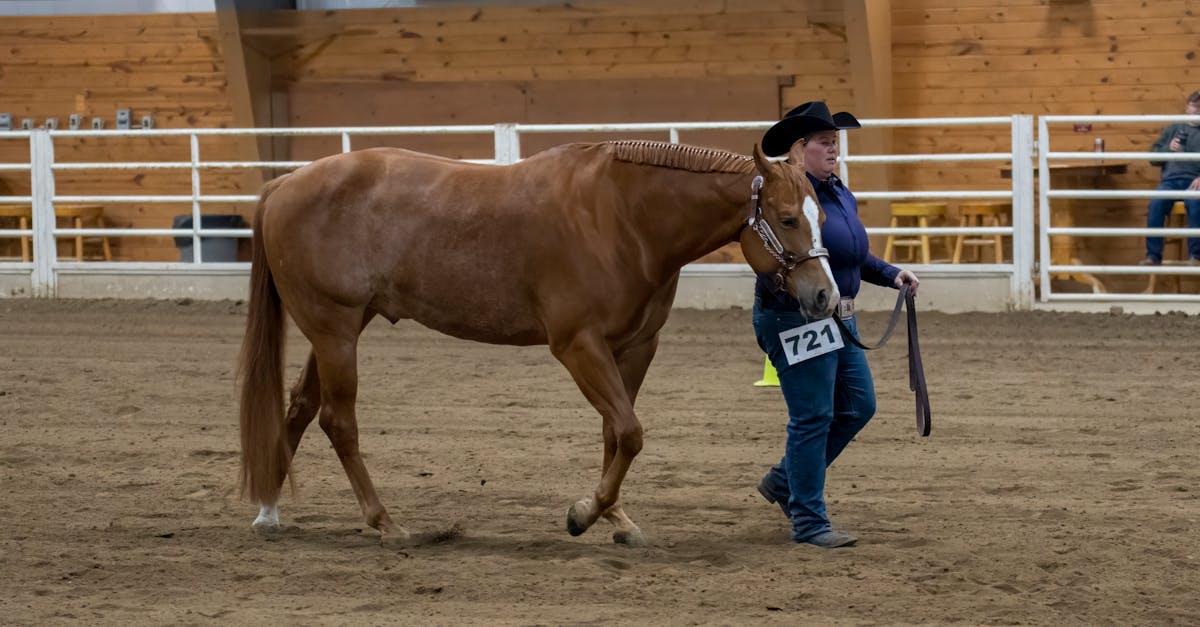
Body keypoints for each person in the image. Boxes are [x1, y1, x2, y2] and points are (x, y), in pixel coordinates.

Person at [752, 101, 919, 548]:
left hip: (839, 316)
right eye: (824, 142)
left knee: (859, 405)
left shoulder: (839, 192)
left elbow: (852, 255)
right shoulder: (787, 197)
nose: (834, 149)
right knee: (813, 416)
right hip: (798, 316)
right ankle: (808, 521)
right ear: (798, 148)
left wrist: (891, 274)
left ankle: (786, 480)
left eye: (835, 141)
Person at [1143, 90, 1200, 265]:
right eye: (1194, 106)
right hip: (1170, 182)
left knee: (1196, 203)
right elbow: (1153, 159)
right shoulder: (1173, 129)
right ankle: (1153, 257)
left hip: (1195, 183)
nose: (1196, 110)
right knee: (1156, 202)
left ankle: (1196, 257)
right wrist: (1168, 148)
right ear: (1187, 108)